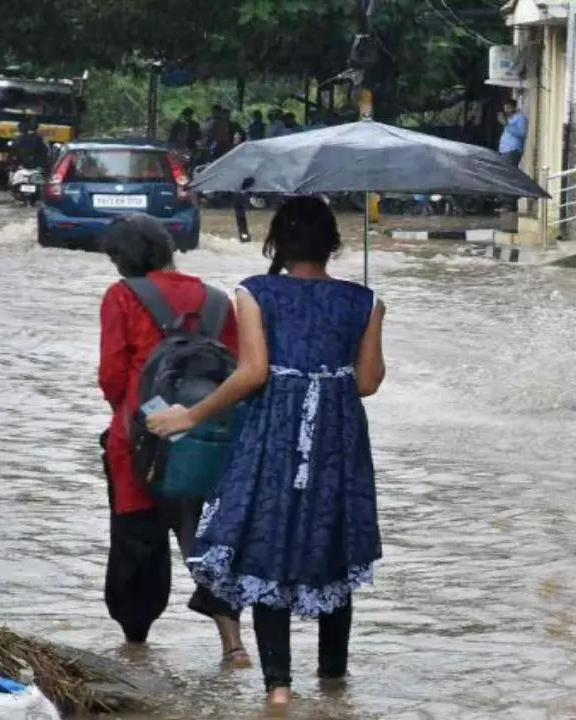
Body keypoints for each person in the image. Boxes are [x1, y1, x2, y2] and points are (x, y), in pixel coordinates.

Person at [148, 197, 385, 705]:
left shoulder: (255, 292)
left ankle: (278, 689)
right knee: (333, 548)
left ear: (276, 242)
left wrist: (189, 415)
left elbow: (253, 372)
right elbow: (367, 383)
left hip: (275, 434)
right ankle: (333, 685)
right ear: (334, 245)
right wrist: (358, 321)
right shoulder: (365, 301)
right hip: (337, 441)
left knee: (266, 545)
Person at [97, 215, 251, 668]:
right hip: (206, 441)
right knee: (204, 540)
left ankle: (136, 650)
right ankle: (234, 646)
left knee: (137, 544)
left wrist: (132, 416)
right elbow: (238, 371)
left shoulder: (122, 297)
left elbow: (110, 375)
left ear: (123, 258)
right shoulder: (219, 302)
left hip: (138, 440)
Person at [498, 99, 527, 168]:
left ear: (514, 108)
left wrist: (506, 125)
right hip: (505, 151)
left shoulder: (520, 118)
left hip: (513, 150)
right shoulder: (509, 119)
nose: (506, 110)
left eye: (508, 108)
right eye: (505, 108)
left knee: (509, 173)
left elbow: (522, 133)